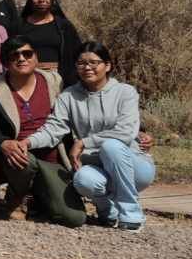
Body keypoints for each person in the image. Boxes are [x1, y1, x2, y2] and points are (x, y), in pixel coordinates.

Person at [25, 42, 154, 231]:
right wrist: (27, 142)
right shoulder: (68, 97)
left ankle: (131, 213)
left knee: (111, 146)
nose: (87, 67)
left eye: (94, 62)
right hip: (97, 164)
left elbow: (126, 132)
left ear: (107, 65)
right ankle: (108, 211)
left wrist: (84, 142)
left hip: (134, 166)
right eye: (81, 63)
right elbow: (54, 128)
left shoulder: (126, 92)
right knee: (83, 179)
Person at [0, 37, 85, 227]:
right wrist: (3, 143)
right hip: (17, 158)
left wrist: (138, 131)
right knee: (23, 160)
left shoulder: (54, 82)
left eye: (27, 54)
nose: (22, 59)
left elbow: (85, 104)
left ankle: (39, 196)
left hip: (52, 157)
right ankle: (16, 196)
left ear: (36, 58)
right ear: (5, 62)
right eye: (14, 55)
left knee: (73, 218)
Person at [19, 0, 83, 88]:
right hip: (25, 80)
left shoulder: (64, 27)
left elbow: (77, 55)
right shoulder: (19, 26)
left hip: (58, 82)